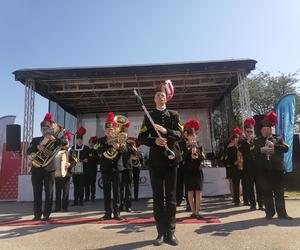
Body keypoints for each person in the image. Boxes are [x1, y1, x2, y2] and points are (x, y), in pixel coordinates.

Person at [138, 80, 182, 246]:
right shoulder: (148, 116)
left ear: (166, 98)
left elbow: (181, 133)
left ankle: (170, 233)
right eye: (158, 95)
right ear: (154, 99)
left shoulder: (174, 115)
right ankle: (160, 233)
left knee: (171, 198)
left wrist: (166, 131)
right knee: (157, 198)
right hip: (156, 162)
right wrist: (154, 141)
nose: (161, 97)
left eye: (163, 95)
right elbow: (141, 138)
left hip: (172, 161)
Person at [27, 112, 67, 221]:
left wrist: (55, 139)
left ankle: (46, 214)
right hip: (36, 168)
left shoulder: (54, 140)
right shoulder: (35, 140)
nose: (45, 131)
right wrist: (37, 147)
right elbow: (28, 151)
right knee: (37, 191)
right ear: (41, 130)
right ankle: (37, 214)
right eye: (43, 129)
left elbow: (64, 143)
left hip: (49, 169)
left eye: (47, 128)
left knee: (49, 192)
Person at [254, 111, 292, 220]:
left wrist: (273, 145)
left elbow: (286, 148)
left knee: (279, 192)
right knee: (267, 193)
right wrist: (261, 150)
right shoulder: (257, 141)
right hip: (264, 171)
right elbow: (253, 153)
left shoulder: (278, 138)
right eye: (264, 129)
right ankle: (269, 213)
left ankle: (282, 213)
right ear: (261, 131)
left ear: (271, 130)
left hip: (277, 170)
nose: (266, 131)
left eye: (268, 129)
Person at [97, 112, 123, 220]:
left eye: (111, 130)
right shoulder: (101, 140)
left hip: (117, 168)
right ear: (105, 130)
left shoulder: (119, 138)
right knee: (106, 192)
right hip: (105, 169)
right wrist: (109, 143)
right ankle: (107, 213)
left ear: (114, 130)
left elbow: (124, 150)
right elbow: (98, 151)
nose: (109, 131)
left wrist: (118, 147)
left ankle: (117, 213)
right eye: (107, 130)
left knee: (117, 191)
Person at [239, 118, 264, 210]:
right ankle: (253, 204)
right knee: (249, 187)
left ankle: (261, 204)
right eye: (248, 131)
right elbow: (243, 151)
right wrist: (248, 142)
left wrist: (253, 143)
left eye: (251, 131)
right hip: (248, 168)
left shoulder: (257, 140)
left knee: (259, 187)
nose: (250, 133)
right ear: (245, 132)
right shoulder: (242, 142)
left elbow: (260, 151)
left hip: (258, 167)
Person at [182, 119, 205, 219]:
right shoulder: (184, 146)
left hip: (198, 171)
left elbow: (203, 158)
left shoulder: (199, 146)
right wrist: (188, 149)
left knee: (198, 191)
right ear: (187, 137)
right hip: (188, 171)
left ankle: (197, 211)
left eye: (193, 135)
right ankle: (192, 212)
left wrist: (197, 152)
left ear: (196, 136)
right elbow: (182, 158)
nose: (192, 137)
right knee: (190, 192)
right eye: (190, 135)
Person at [70, 127, 89, 206]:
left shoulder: (86, 148)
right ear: (76, 140)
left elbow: (87, 159)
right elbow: (71, 158)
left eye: (80, 139)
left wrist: (84, 160)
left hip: (83, 170)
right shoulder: (72, 148)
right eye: (78, 139)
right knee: (76, 186)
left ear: (82, 140)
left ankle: (81, 201)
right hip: (74, 170)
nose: (79, 140)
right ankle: (75, 201)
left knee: (81, 186)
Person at [54, 130, 72, 212]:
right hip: (57, 173)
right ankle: (57, 207)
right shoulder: (58, 150)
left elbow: (75, 160)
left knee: (66, 191)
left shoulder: (71, 150)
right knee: (57, 191)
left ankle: (65, 207)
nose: (65, 144)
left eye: (66, 142)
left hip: (67, 173)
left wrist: (70, 164)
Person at [225, 128, 244, 206]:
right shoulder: (229, 149)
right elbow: (227, 160)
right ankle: (236, 200)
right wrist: (234, 162)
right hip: (234, 168)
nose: (236, 140)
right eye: (235, 139)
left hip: (243, 168)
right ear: (232, 140)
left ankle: (245, 199)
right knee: (235, 184)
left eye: (237, 139)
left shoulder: (242, 147)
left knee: (244, 184)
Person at [84, 136, 99, 202]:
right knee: (86, 184)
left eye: (92, 143)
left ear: (94, 144)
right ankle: (87, 197)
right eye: (90, 142)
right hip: (86, 169)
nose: (91, 144)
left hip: (93, 170)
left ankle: (93, 196)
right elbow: (82, 158)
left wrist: (91, 158)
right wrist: (84, 160)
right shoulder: (85, 150)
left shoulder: (95, 151)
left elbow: (97, 160)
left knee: (93, 184)